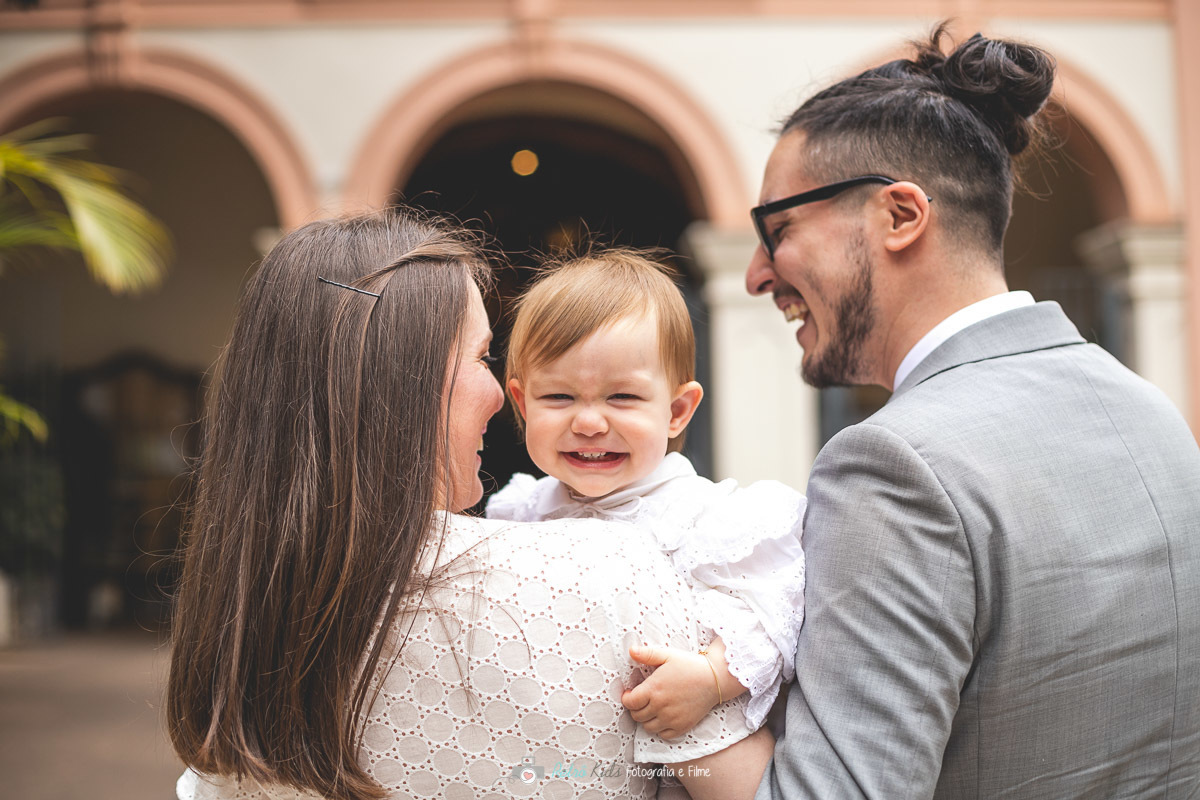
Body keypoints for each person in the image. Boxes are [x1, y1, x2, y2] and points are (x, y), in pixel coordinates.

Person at [745, 25, 1200, 799]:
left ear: (899, 216)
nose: (757, 274)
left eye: (778, 229)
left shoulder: (892, 464)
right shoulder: (1149, 409)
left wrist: (687, 735)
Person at [167, 210, 755, 800]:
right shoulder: (617, 570)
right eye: (482, 357)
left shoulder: (244, 617)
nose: (501, 396)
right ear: (404, 382)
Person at [486, 250, 803, 796]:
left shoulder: (705, 518)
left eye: (623, 397)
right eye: (558, 396)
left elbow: (773, 609)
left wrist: (712, 677)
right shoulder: (520, 514)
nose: (589, 422)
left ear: (677, 411)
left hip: (684, 760)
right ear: (522, 402)